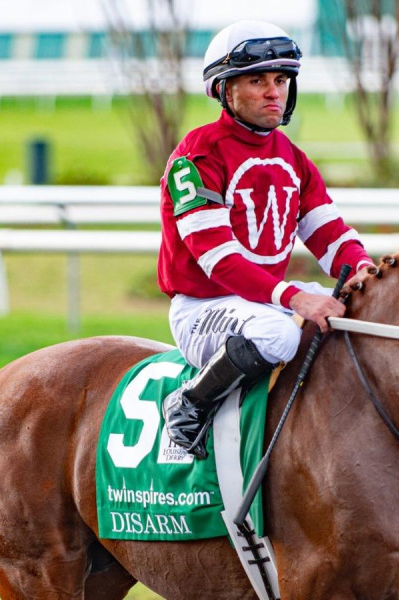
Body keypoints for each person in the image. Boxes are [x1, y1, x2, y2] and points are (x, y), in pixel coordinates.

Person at [157, 20, 374, 460]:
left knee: (365, 313)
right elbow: (217, 261)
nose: (274, 92)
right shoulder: (197, 156)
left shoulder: (291, 156)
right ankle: (188, 404)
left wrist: (363, 267)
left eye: (280, 80)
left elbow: (329, 233)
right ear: (223, 90)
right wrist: (296, 298)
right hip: (204, 309)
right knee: (280, 336)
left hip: (261, 303)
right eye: (257, 81)